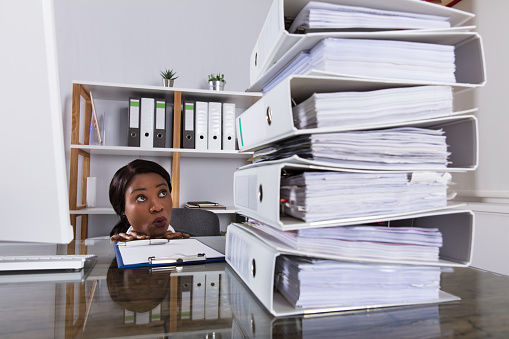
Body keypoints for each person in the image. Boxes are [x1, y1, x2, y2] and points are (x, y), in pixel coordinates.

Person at [109, 159, 190, 241]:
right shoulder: (114, 245)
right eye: (141, 198)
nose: (157, 207)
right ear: (122, 209)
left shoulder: (191, 241)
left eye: (162, 193)